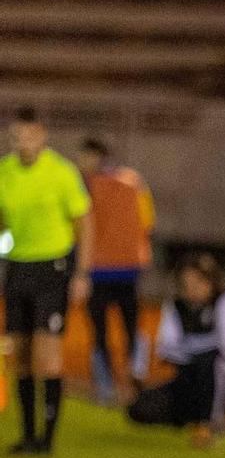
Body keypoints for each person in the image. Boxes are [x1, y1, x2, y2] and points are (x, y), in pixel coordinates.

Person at [0, 107, 92, 456]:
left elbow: (85, 223)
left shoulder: (61, 172)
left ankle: (47, 439)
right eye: (15, 135)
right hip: (17, 267)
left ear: (41, 135)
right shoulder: (5, 172)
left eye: (27, 134)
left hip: (52, 269)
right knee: (20, 354)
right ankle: (27, 436)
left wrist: (81, 272)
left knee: (47, 354)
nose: (21, 142)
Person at [126, 252, 225, 448]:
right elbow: (166, 347)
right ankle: (189, 418)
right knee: (140, 408)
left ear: (211, 281)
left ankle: (208, 425)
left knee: (211, 364)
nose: (193, 289)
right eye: (187, 283)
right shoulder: (176, 306)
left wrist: (191, 350)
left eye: (199, 282)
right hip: (188, 379)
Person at [76, 137, 154, 404]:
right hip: (129, 268)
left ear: (96, 157)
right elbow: (148, 220)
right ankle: (135, 379)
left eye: (84, 157)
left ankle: (106, 388)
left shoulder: (84, 186)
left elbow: (77, 225)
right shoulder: (134, 180)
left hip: (97, 269)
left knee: (100, 331)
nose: (81, 162)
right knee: (131, 327)